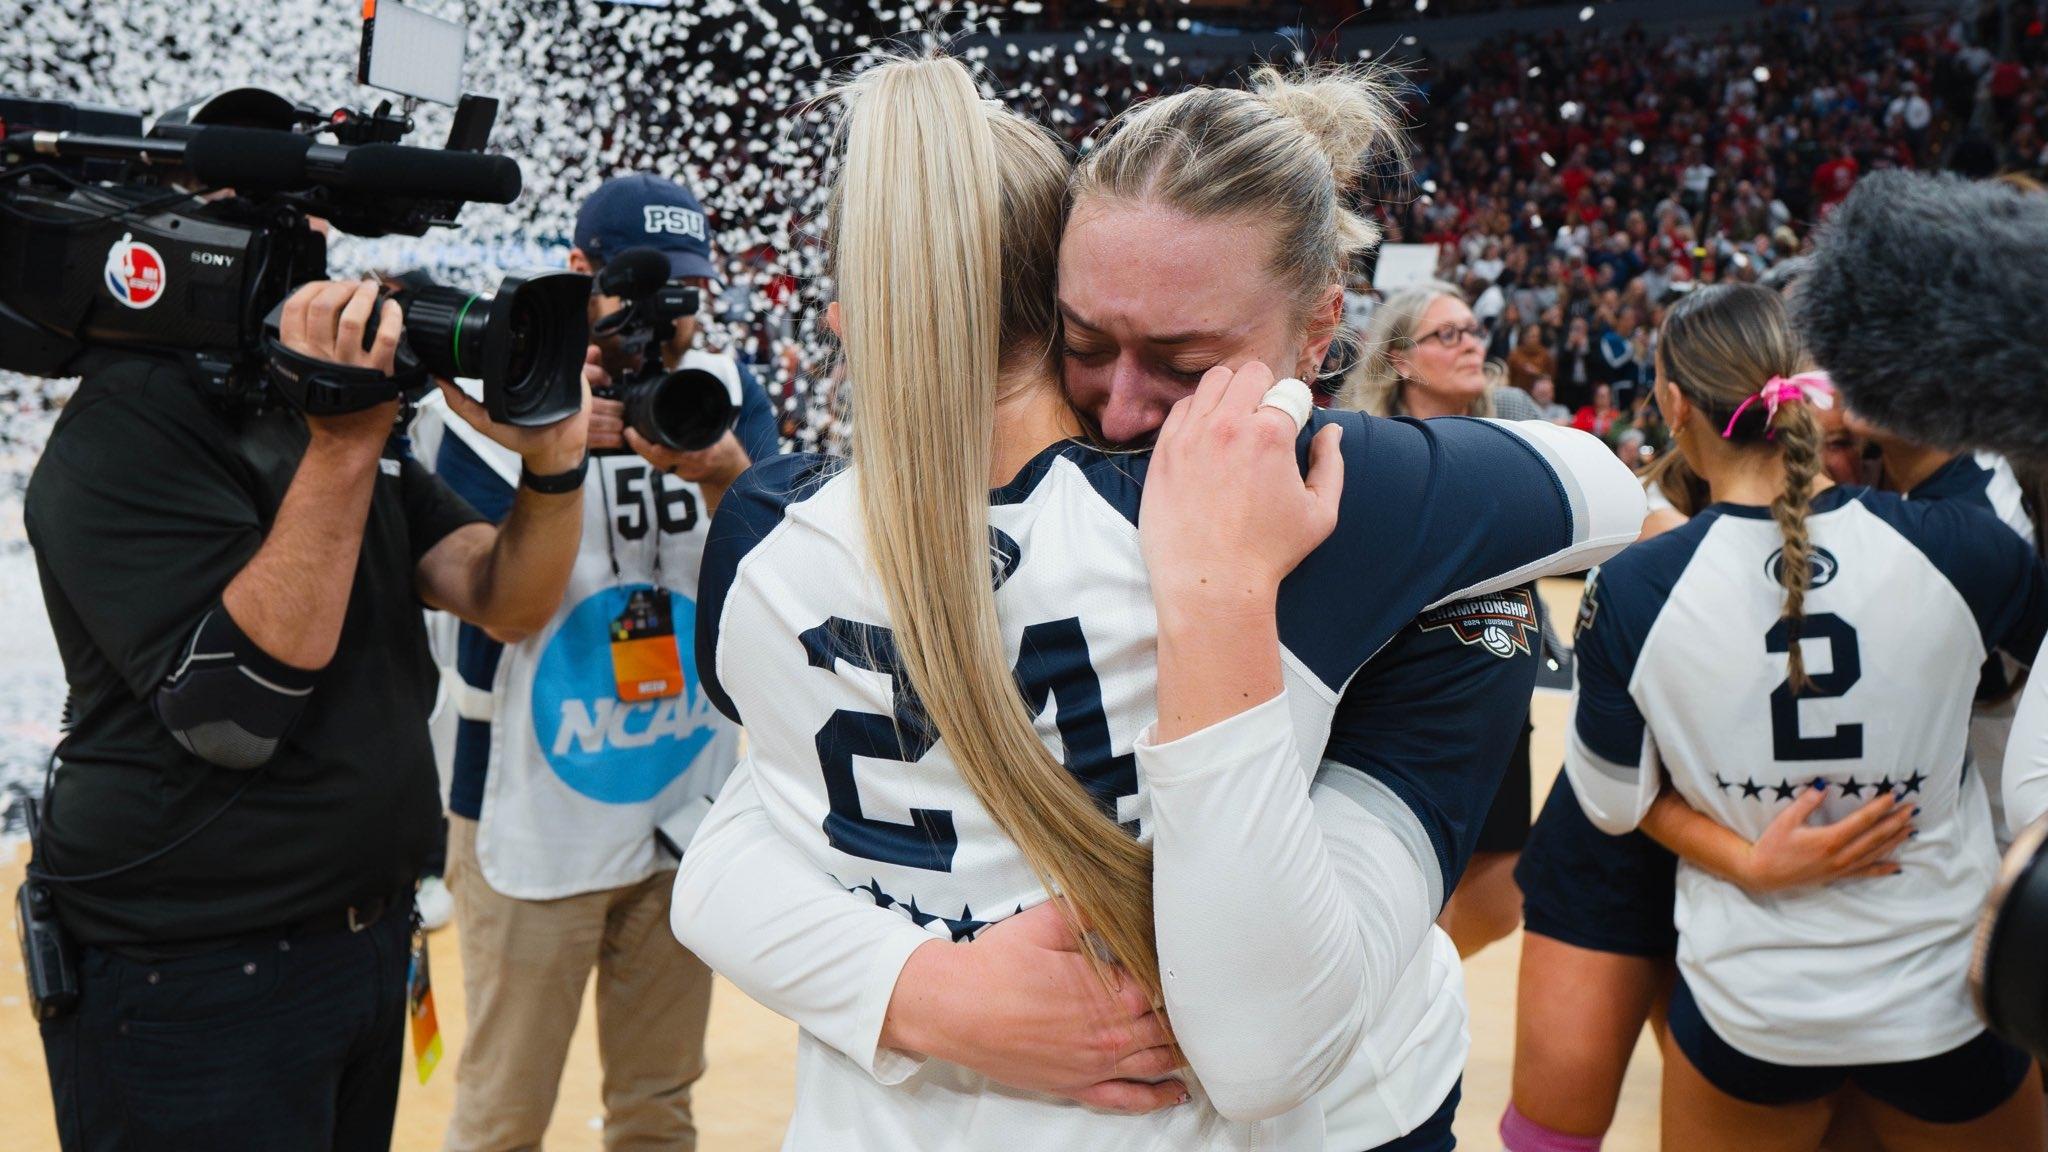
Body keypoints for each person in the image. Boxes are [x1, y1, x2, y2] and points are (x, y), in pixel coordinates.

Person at [672, 56, 1643, 1152]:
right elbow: (1602, 486)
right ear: (1045, 294)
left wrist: (902, 983)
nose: (1127, 406)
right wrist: (932, 992)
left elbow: (730, 852)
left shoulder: (765, 525)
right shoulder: (1351, 505)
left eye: (1183, 363)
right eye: (1088, 344)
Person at [25, 278, 590, 1151]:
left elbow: (503, 599)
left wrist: (554, 465)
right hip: (192, 972)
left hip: (360, 939)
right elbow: (233, 713)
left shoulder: (325, 420)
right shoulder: (129, 421)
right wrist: (348, 442)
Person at [1565, 284, 2046, 1150]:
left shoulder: (1633, 589)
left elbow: (1613, 806)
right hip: (1942, 999)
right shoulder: (1961, 548)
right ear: (1815, 392)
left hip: (1756, 1007)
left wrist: (1753, 861)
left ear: (1675, 405)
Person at [424, 173, 780, 1152]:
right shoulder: (511, 384)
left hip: (681, 802)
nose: (665, 323)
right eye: (642, 288)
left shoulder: (724, 386)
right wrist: (551, 445)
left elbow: (778, 576)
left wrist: (724, 473)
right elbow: (463, 576)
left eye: (688, 293)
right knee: (502, 1116)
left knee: (658, 1109)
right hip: (528, 804)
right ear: (581, 273)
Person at [1339, 278, 1550, 957]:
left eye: (1472, 330)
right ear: (1401, 359)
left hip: (1499, 691)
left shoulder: (1513, 430)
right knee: (1410, 898)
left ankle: (1421, 985)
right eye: (1447, 334)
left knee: (1500, 902)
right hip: (1406, 698)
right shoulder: (1368, 450)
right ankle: (1415, 1015)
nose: (1470, 345)